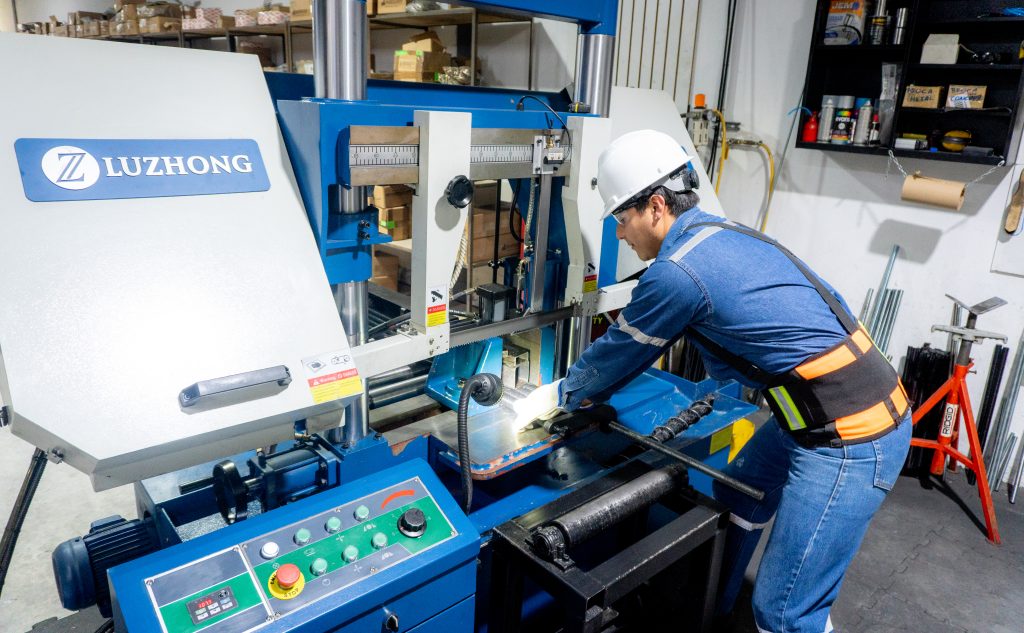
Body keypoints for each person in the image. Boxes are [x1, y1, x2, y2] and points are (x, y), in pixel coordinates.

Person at [552, 129, 912, 633]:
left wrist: (563, 397)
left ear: (656, 206)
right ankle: (715, 612)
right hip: (820, 411)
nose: (619, 235)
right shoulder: (724, 233)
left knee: (785, 610)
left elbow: (617, 354)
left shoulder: (677, 272)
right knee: (742, 489)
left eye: (621, 219)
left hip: (851, 437)